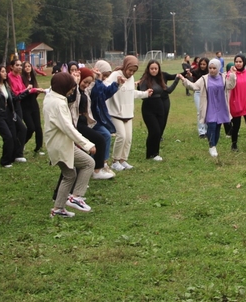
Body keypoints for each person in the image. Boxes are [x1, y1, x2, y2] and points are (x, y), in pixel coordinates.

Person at [44, 73, 96, 218]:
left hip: (55, 144)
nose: (72, 91)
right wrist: (87, 145)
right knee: (88, 163)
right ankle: (76, 197)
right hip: (61, 145)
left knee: (69, 175)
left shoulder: (50, 96)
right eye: (70, 88)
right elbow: (68, 128)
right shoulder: (59, 104)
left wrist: (74, 79)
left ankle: (58, 209)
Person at [179, 59, 236, 157]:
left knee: (218, 127)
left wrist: (232, 75)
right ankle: (212, 146)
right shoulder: (204, 79)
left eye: (214, 68)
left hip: (221, 106)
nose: (212, 70)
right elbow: (194, 86)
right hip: (209, 106)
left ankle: (214, 145)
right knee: (212, 126)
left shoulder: (223, 77)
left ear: (218, 68)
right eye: (210, 68)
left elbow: (231, 85)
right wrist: (184, 80)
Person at [105, 56, 151, 170]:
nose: (131, 73)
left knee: (128, 138)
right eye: (130, 70)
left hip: (128, 113)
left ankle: (123, 160)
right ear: (125, 66)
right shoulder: (116, 75)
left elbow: (131, 93)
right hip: (115, 111)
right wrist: (117, 83)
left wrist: (145, 94)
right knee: (121, 136)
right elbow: (106, 87)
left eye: (134, 71)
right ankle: (115, 161)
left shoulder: (131, 78)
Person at [137, 60, 180, 161]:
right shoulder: (145, 80)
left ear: (158, 69)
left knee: (159, 132)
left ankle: (155, 153)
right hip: (148, 108)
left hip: (160, 107)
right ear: (148, 69)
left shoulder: (160, 79)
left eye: (156, 69)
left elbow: (168, 90)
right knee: (154, 131)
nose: (154, 70)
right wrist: (147, 92)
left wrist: (177, 79)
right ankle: (149, 154)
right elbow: (142, 95)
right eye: (152, 69)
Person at [0, 65, 26, 167]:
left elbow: (12, 98)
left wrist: (27, 92)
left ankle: (13, 156)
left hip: (9, 113)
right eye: (2, 72)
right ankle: (5, 161)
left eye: (5, 71)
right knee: (8, 137)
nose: (5, 73)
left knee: (16, 134)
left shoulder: (6, 85)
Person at [20, 61, 47, 155]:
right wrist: (31, 90)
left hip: (34, 105)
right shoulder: (21, 79)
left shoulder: (33, 78)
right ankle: (21, 144)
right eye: (25, 66)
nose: (27, 68)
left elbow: (33, 94)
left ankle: (38, 148)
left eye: (29, 66)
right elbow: (23, 94)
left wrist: (37, 92)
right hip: (25, 106)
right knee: (31, 128)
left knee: (38, 127)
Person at [189, 58, 210, 138]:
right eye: (201, 64)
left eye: (204, 64)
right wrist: (189, 75)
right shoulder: (195, 72)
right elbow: (189, 77)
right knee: (200, 112)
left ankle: (208, 130)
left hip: (208, 93)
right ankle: (201, 131)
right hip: (198, 93)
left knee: (208, 111)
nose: (202, 66)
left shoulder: (210, 72)